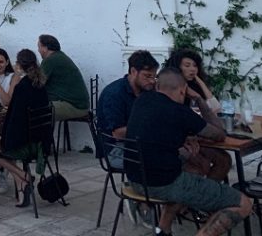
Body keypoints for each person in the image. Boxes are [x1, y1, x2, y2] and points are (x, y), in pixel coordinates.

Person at [125, 68, 252, 236]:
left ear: (157, 86)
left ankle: (163, 230)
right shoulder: (181, 112)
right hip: (163, 184)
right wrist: (198, 98)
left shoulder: (142, 100)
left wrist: (184, 137)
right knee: (244, 203)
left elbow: (156, 128)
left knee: (195, 170)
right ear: (183, 90)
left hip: (135, 178)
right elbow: (219, 133)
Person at [0, 48, 52, 207]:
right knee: (4, 142)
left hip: (25, 145)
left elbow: (14, 119)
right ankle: (21, 184)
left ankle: (23, 175)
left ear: (19, 65)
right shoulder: (40, 85)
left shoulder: (22, 87)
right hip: (41, 143)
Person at [164, 49, 232, 181]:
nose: (192, 69)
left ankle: (209, 195)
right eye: (187, 65)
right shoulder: (170, 90)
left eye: (195, 66)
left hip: (193, 138)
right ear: (177, 68)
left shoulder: (191, 88)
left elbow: (216, 109)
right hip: (175, 144)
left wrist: (200, 83)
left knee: (224, 159)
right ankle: (200, 195)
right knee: (202, 164)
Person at [94, 49, 159, 168]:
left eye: (154, 77)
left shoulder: (146, 89)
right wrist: (152, 128)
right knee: (165, 159)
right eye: (147, 76)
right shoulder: (115, 94)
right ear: (133, 71)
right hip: (116, 150)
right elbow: (118, 134)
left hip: (137, 143)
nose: (151, 81)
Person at [37, 34, 90, 121]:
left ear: (45, 48)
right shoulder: (59, 56)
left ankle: (41, 135)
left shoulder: (50, 60)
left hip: (75, 106)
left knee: (34, 111)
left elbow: (37, 84)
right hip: (79, 104)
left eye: (39, 47)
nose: (38, 50)